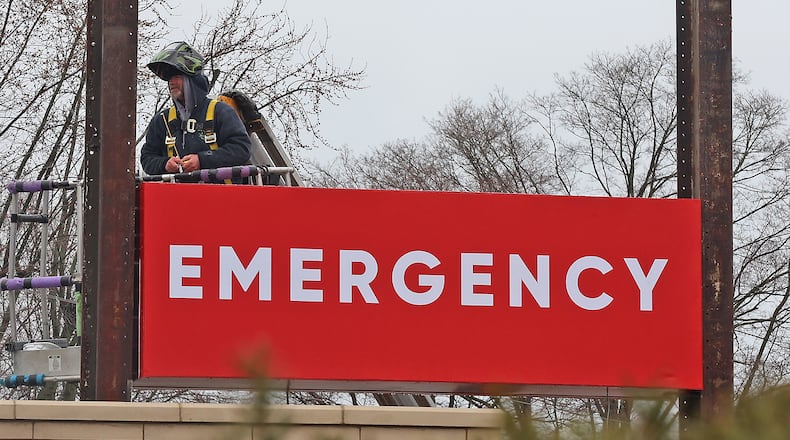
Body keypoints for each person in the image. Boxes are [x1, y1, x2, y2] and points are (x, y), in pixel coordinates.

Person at [140, 42, 250, 178]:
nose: (171, 82)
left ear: (191, 80)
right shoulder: (162, 120)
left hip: (221, 196)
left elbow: (241, 149)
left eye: (177, 76)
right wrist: (164, 164)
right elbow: (147, 158)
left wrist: (202, 160)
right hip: (176, 197)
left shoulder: (220, 112)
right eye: (169, 78)